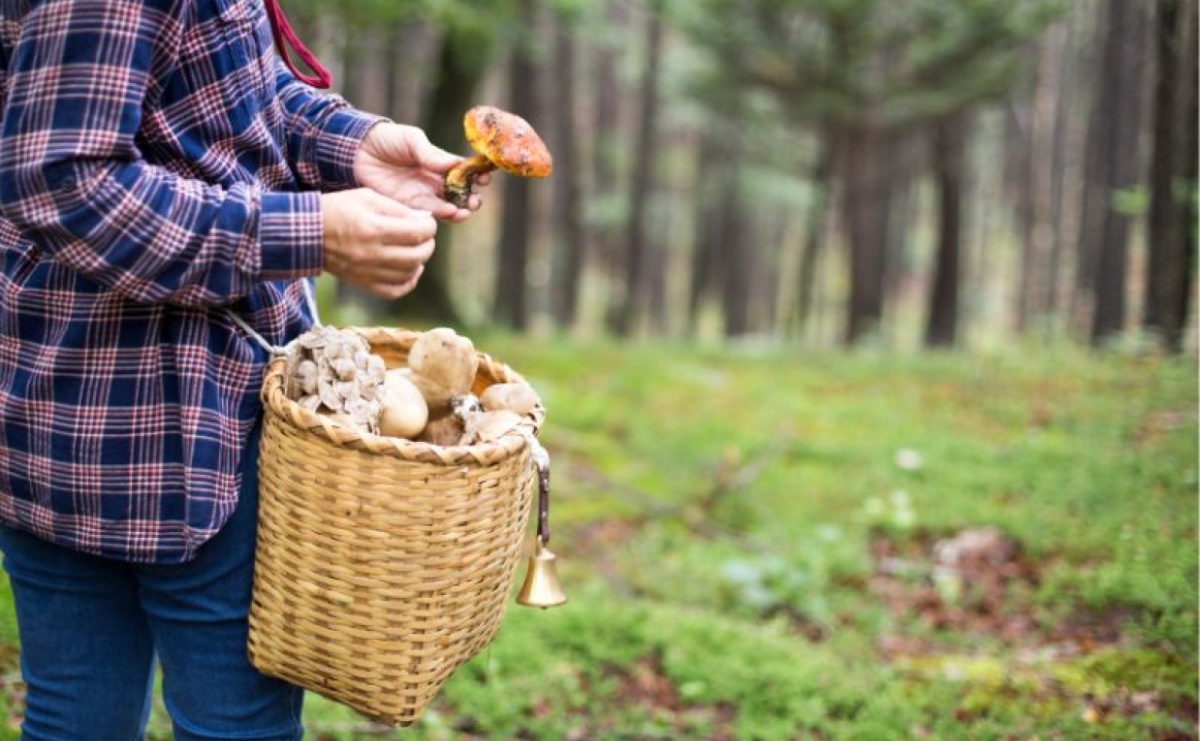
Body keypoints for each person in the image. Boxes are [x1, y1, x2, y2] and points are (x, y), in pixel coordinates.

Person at [0, 0, 486, 737]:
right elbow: (64, 181)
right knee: (227, 723)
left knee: (76, 712)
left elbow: (214, 92)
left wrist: (356, 144)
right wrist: (305, 231)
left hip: (52, 405)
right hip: (187, 428)